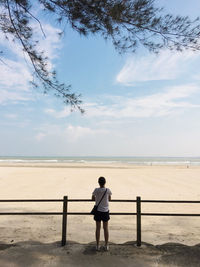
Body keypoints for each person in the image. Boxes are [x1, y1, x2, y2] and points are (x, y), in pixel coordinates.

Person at [92, 176, 112, 251]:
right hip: (105, 211)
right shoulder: (108, 190)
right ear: (105, 182)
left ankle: (97, 245)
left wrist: (97, 198)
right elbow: (110, 198)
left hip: (98, 211)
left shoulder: (96, 190)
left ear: (98, 182)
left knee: (98, 228)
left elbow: (92, 198)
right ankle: (106, 245)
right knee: (105, 228)